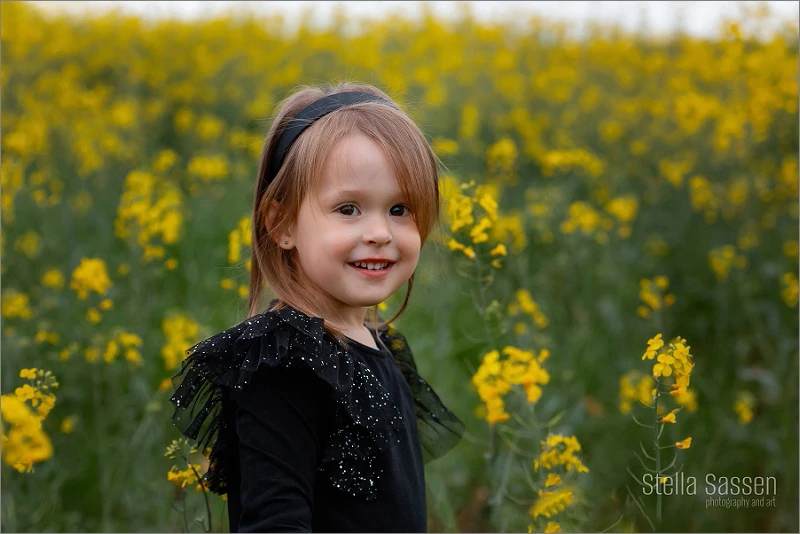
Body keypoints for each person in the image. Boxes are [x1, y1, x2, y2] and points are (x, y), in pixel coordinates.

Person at [169, 82, 465, 533]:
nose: (380, 232)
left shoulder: (376, 343)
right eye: (348, 209)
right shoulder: (281, 366)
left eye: (400, 208)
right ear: (282, 223)